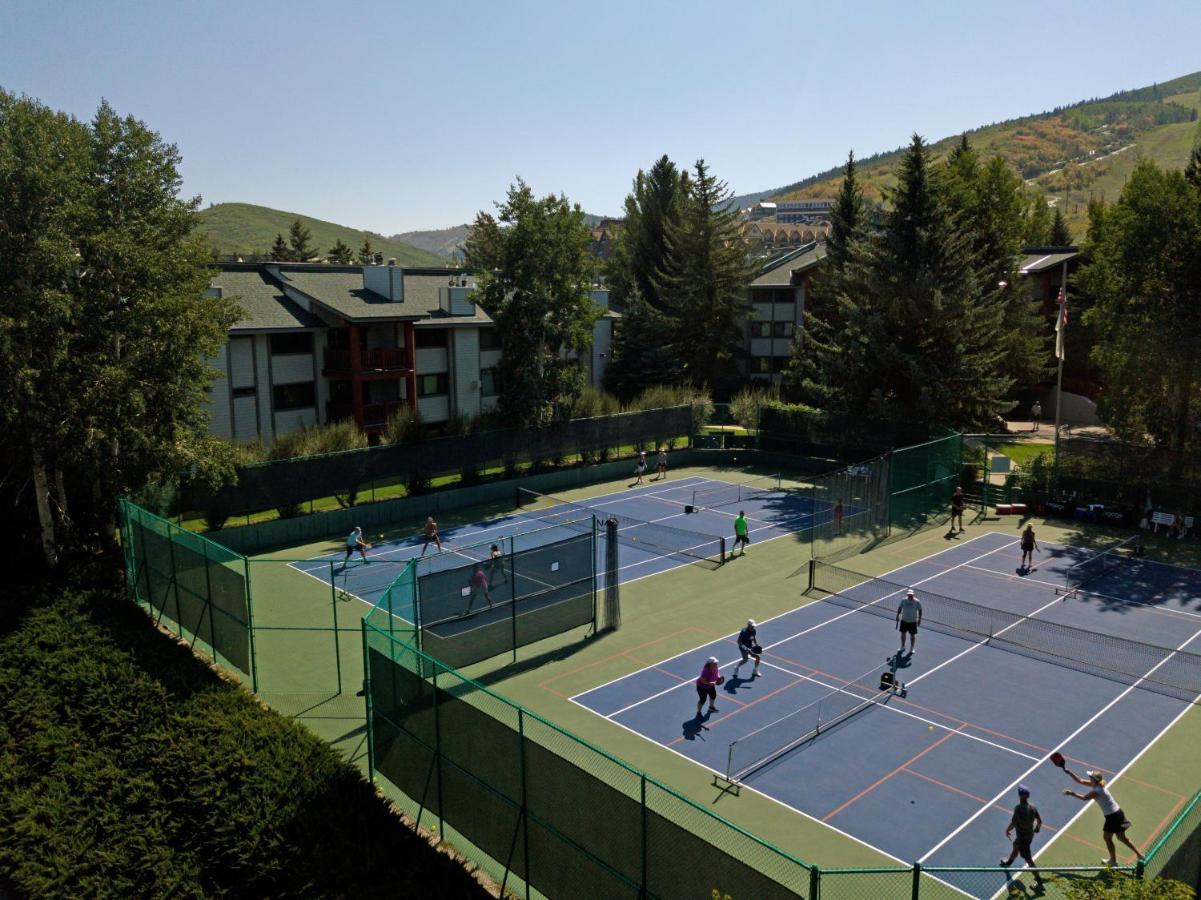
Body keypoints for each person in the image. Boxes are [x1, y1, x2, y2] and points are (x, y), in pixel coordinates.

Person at [1062, 768, 1142, 866]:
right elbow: (1080, 781)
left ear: (1094, 780)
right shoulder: (1098, 784)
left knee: (1107, 838)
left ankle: (1113, 861)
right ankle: (1140, 855)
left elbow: (1084, 798)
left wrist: (1071, 793)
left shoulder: (1097, 791)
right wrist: (1070, 772)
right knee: (1122, 838)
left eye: (1090, 777)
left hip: (1112, 817)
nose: (1089, 777)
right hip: (1118, 813)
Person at [999, 784, 1044, 884]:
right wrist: (1037, 829)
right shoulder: (1033, 808)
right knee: (1015, 846)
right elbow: (1040, 821)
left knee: (1028, 859)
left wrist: (1007, 830)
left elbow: (1014, 822)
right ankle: (1008, 862)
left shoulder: (1018, 808)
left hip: (1022, 838)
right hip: (1029, 836)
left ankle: (1038, 879)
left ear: (1021, 795)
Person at [896, 588, 922, 656]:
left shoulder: (917, 602)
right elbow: (900, 608)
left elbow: (920, 610)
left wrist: (919, 619)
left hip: (913, 621)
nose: (910, 595)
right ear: (907, 594)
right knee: (903, 634)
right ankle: (902, 646)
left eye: (911, 594)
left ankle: (912, 648)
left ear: (913, 594)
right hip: (904, 620)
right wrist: (897, 616)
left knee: (912, 635)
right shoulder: (903, 600)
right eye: (909, 594)